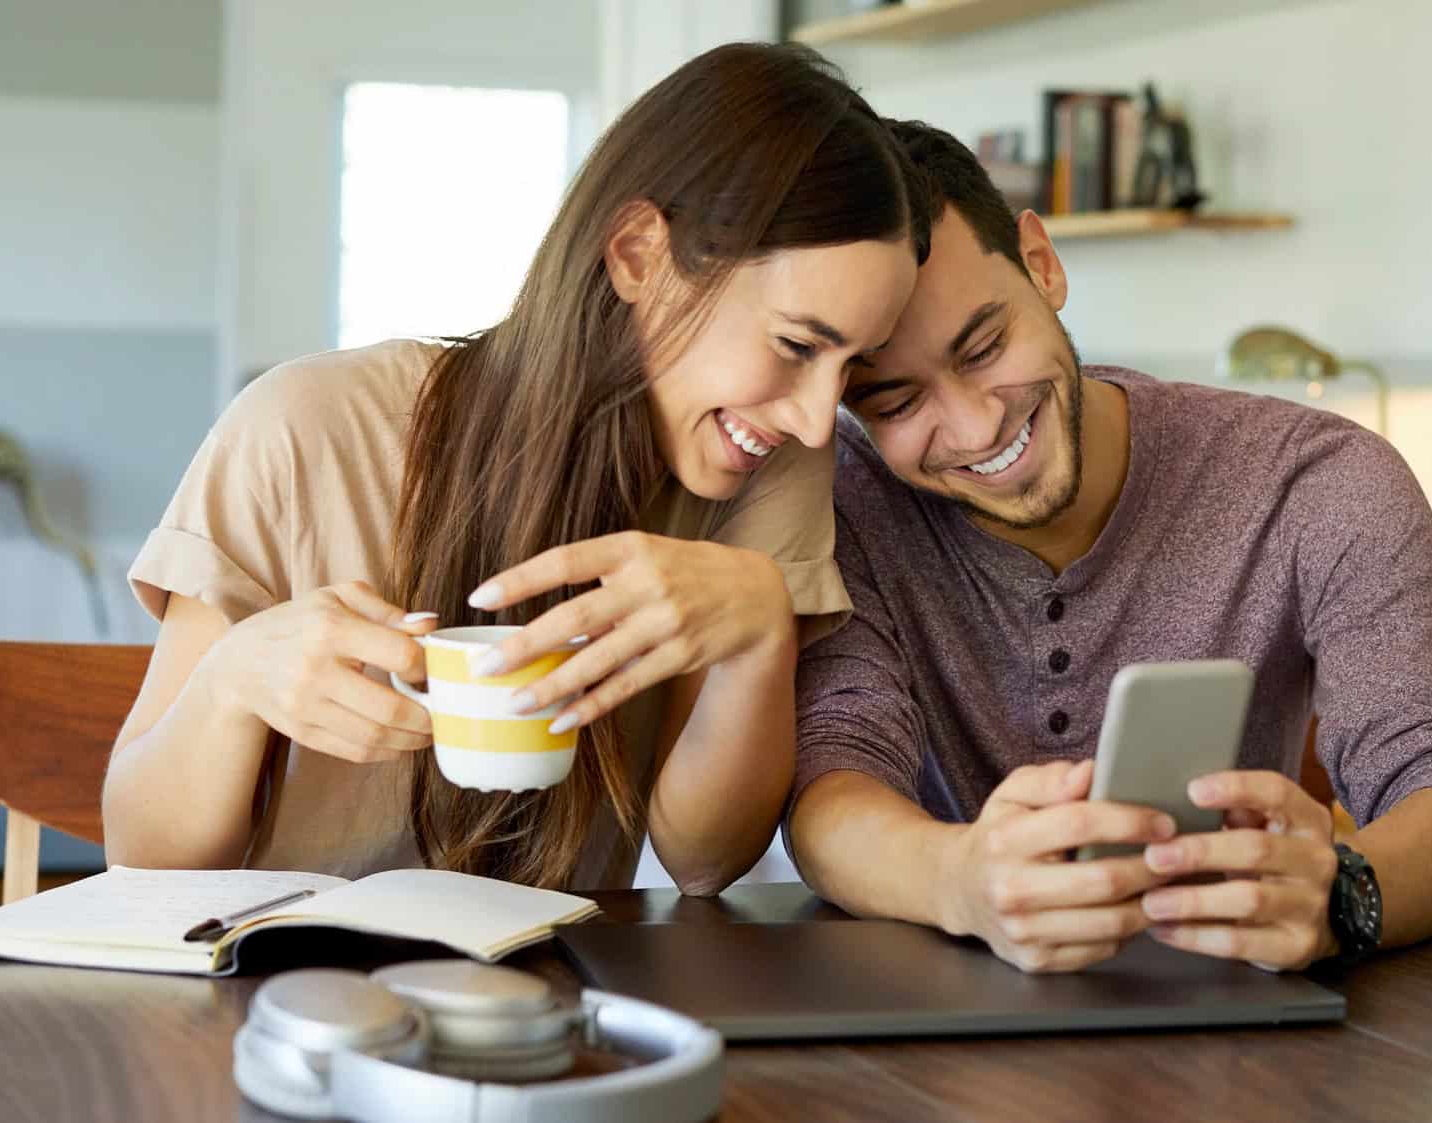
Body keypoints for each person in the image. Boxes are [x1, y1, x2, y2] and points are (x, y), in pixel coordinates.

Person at [103, 44, 927, 894]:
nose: (812, 414)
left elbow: (703, 860)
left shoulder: (768, 463)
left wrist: (755, 636)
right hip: (285, 994)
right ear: (639, 254)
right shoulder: (304, 429)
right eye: (797, 344)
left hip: (551, 996)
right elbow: (137, 854)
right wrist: (231, 686)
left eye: (850, 368)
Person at [786, 121, 1432, 972]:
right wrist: (962, 880)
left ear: (1041, 264)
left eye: (984, 347)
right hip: (935, 1031)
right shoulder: (842, 509)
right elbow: (831, 784)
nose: (976, 425)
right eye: (897, 402)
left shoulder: (1319, 481)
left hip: (1230, 1027)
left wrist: (1342, 894)